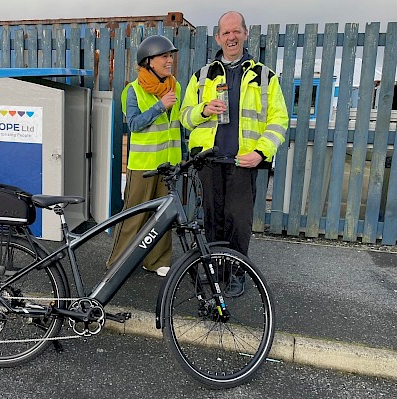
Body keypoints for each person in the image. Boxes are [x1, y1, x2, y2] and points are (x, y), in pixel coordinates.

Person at [180, 11, 289, 296]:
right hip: (209, 161)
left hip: (244, 162)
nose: (231, 37)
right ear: (218, 37)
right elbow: (184, 117)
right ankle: (214, 272)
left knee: (238, 223)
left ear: (245, 33)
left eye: (235, 32)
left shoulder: (265, 77)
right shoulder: (202, 76)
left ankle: (236, 273)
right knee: (212, 221)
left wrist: (261, 152)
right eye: (225, 33)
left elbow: (279, 120)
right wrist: (203, 110)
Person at [106, 35, 182, 277]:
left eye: (170, 56)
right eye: (164, 56)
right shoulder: (133, 90)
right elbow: (134, 124)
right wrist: (160, 106)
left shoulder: (176, 86)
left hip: (168, 165)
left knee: (163, 216)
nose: (169, 60)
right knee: (134, 215)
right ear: (148, 61)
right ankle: (119, 261)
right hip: (142, 166)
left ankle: (157, 260)